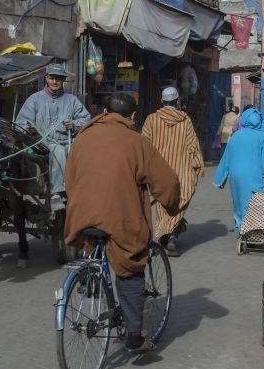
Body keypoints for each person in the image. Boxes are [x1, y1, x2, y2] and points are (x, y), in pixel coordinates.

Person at [64, 92, 180, 353]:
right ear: (133, 116)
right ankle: (135, 336)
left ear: (105, 112)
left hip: (81, 215)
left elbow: (68, 178)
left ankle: (92, 277)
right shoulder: (136, 141)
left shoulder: (83, 137)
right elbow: (167, 182)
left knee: (97, 249)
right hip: (118, 216)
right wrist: (171, 206)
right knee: (131, 265)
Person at [141, 86, 204, 257]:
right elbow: (193, 146)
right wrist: (198, 166)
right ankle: (171, 236)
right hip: (182, 171)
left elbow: (144, 146)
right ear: (177, 102)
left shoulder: (151, 120)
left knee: (163, 204)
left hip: (158, 173)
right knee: (178, 203)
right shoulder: (185, 120)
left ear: (162, 101)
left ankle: (165, 235)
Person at [16, 64, 90, 202]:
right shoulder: (34, 99)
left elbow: (86, 120)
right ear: (46, 79)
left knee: (87, 152)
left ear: (63, 80)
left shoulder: (72, 100)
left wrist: (74, 124)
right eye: (52, 78)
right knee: (57, 150)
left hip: (68, 142)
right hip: (41, 142)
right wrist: (29, 128)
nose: (55, 82)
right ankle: (58, 191)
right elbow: (20, 123)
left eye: (59, 79)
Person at [213, 106, 264, 232]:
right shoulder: (263, 137)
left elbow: (226, 158)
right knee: (254, 203)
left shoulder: (236, 136)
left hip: (236, 176)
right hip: (255, 176)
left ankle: (240, 226)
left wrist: (220, 179)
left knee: (238, 202)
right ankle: (252, 230)